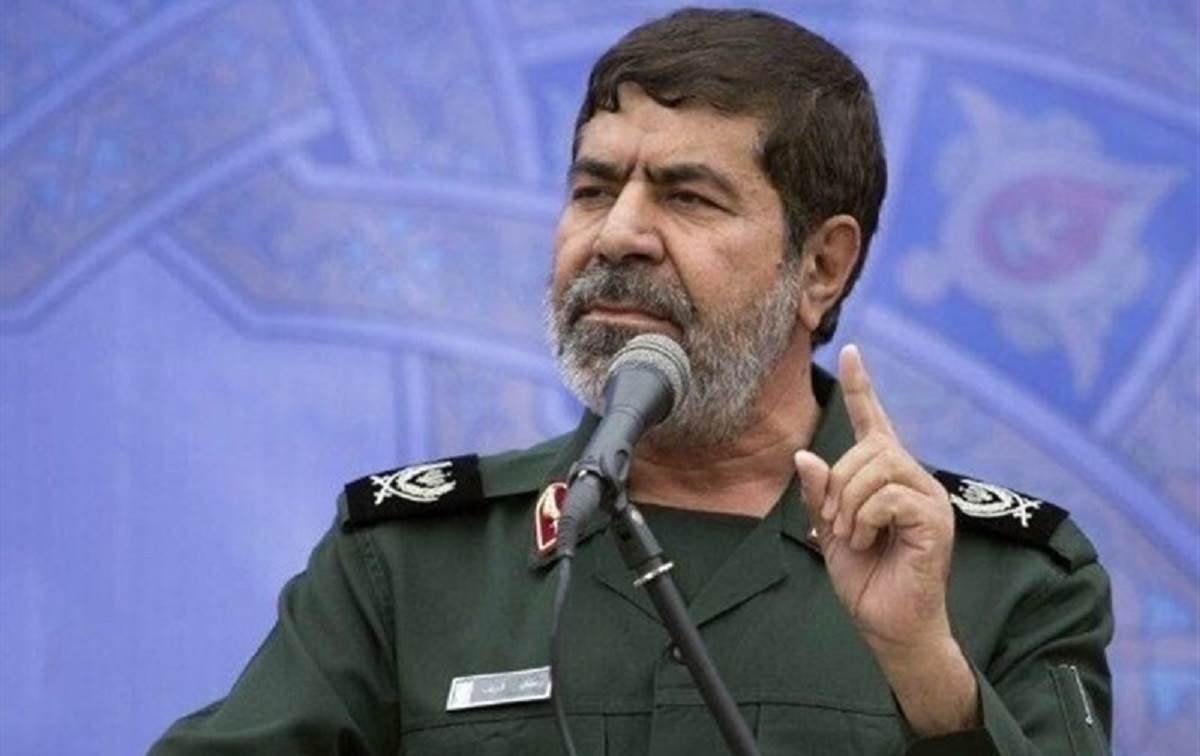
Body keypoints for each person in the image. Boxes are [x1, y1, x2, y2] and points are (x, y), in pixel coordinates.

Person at [149, 7, 1112, 755]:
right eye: (593, 189)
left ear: (820, 267)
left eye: (688, 198)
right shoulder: (410, 564)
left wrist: (927, 672)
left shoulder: (1004, 577)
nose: (616, 235)